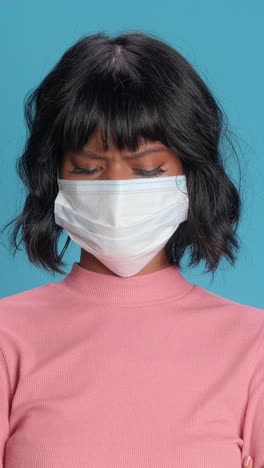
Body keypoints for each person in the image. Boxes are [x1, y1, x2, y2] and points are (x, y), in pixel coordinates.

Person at [0, 31, 263, 468]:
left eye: (147, 170)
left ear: (192, 175)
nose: (117, 191)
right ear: (53, 176)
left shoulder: (253, 346)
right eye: (87, 168)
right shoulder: (7, 337)